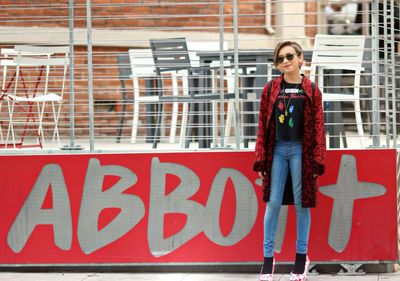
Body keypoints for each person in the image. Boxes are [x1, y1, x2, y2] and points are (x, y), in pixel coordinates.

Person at [253, 41, 326, 281]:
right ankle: (267, 260)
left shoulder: (311, 89)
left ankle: (300, 258)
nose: (285, 61)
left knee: (301, 203)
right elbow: (262, 126)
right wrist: (261, 159)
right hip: (277, 151)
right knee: (273, 203)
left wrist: (317, 160)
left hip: (300, 152)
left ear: (300, 58)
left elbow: (318, 128)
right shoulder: (270, 89)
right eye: (280, 58)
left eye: (289, 56)